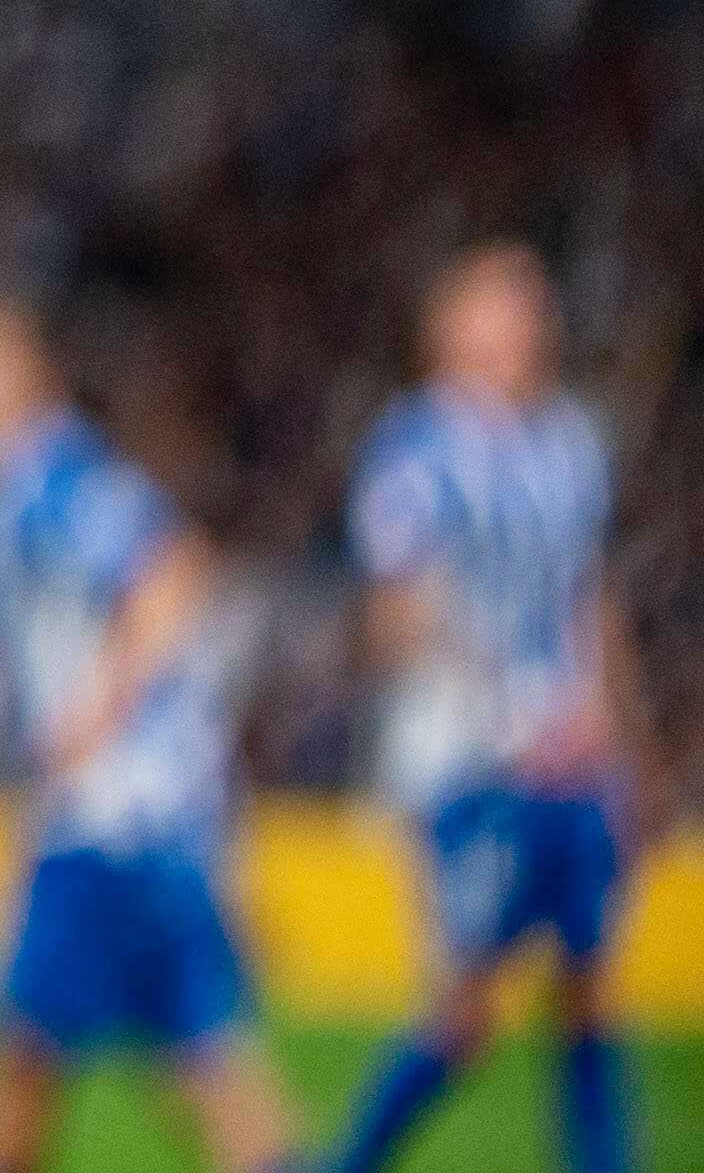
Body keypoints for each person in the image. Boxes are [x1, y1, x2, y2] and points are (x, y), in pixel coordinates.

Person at [0, 300, 295, 1173]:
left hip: (120, 819)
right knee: (187, 1071)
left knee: (38, 1070)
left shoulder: (55, 479)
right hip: (113, 823)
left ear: (12, 376)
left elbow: (173, 575)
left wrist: (96, 711)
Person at [328, 243, 648, 1173]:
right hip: (470, 758)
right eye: (496, 305)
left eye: (529, 304)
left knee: (592, 988)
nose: (520, 322)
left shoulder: (572, 443)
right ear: (447, 328)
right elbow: (394, 607)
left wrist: (610, 723)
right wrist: (507, 704)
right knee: (466, 1008)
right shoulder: (415, 449)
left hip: (573, 759)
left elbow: (588, 597)